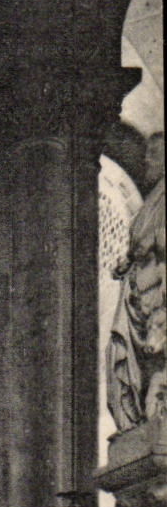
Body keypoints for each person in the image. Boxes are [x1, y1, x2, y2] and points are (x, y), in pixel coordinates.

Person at [106, 167, 165, 432]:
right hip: (138, 300)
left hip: (152, 299)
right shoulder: (150, 205)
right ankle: (138, 420)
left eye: (152, 155)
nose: (146, 161)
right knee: (121, 358)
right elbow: (139, 244)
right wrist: (128, 261)